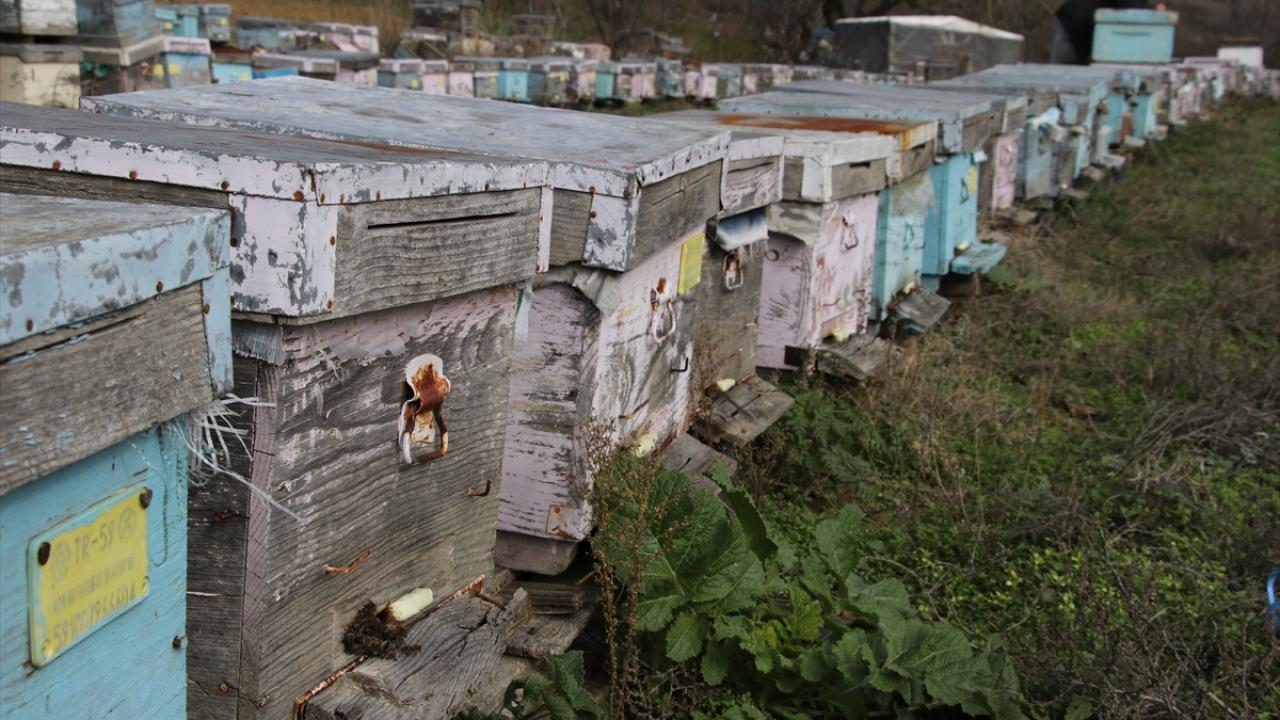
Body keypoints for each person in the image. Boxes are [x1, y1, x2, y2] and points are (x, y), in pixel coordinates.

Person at [1050, 0, 1168, 64]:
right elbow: (1131, 5)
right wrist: (1155, 10)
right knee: (1061, 80)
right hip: (1069, 25)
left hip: (1084, 32)